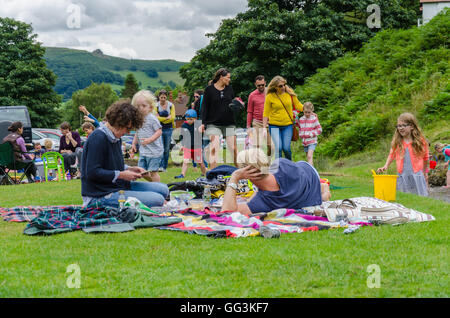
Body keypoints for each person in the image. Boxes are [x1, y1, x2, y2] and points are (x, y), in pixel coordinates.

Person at [81, 99, 169, 208]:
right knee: (158, 199)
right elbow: (92, 172)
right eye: (127, 128)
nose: (128, 132)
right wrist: (122, 175)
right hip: (100, 194)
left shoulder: (116, 138)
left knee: (163, 189)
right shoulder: (98, 137)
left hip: (117, 186)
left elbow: (111, 165)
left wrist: (129, 169)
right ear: (118, 122)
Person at [221, 148, 330, 215]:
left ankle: (322, 190)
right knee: (304, 186)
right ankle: (322, 188)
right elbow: (266, 180)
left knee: (319, 195)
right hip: (309, 171)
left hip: (309, 184)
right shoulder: (282, 164)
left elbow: (227, 211)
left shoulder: (262, 203)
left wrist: (234, 177)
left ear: (246, 173)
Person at [377, 113, 429, 196]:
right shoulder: (398, 142)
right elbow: (392, 155)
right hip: (402, 175)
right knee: (404, 196)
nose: (400, 128)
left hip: (417, 175)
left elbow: (426, 157)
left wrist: (425, 172)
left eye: (403, 125)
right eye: (398, 126)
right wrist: (386, 166)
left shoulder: (421, 141)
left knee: (420, 196)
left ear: (411, 126)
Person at [200, 68, 239, 169]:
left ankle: (241, 173)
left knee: (234, 149)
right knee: (214, 148)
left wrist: (237, 106)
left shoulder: (230, 89)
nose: (229, 80)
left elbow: (232, 104)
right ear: (221, 77)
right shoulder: (209, 90)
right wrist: (203, 123)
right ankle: (212, 176)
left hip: (229, 123)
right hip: (213, 124)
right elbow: (204, 107)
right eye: (228, 77)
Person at [263, 76, 303, 160]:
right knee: (278, 148)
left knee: (286, 148)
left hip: (287, 125)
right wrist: (263, 128)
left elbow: (298, 105)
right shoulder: (270, 96)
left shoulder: (289, 93)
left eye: (284, 85)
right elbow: (266, 113)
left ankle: (289, 166)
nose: (283, 87)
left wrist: (310, 111)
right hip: (274, 125)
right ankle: (279, 169)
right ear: (275, 87)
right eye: (280, 86)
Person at [131, 90, 164, 183]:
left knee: (153, 172)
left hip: (154, 152)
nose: (140, 108)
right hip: (144, 151)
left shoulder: (152, 119)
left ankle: (158, 188)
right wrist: (134, 144)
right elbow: (137, 132)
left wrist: (150, 140)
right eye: (137, 106)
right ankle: (154, 183)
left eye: (143, 106)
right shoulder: (138, 119)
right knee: (142, 172)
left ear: (150, 107)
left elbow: (159, 131)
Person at [175, 109, 206, 179]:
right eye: (187, 119)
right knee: (185, 162)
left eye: (191, 119)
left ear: (195, 118)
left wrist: (202, 130)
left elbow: (202, 134)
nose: (189, 121)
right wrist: (182, 145)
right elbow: (182, 136)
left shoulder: (198, 125)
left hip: (197, 147)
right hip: (188, 147)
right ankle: (182, 174)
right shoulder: (184, 125)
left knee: (200, 162)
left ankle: (204, 173)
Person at [247, 75, 272, 154]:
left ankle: (268, 161)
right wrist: (248, 126)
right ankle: (258, 164)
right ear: (255, 84)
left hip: (270, 122)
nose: (261, 87)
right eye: (259, 85)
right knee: (257, 146)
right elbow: (250, 112)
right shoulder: (252, 95)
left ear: (265, 83)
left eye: (262, 85)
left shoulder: (270, 92)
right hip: (257, 122)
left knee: (271, 146)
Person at [155, 90, 175, 172]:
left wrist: (161, 119)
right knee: (160, 148)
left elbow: (173, 118)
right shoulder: (156, 106)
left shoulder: (171, 105)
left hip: (168, 129)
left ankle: (164, 167)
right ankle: (159, 166)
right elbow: (155, 118)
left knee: (166, 149)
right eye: (161, 97)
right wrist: (166, 118)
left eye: (164, 97)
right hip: (159, 129)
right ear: (159, 97)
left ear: (166, 97)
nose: (163, 99)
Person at [297, 102, 322, 166]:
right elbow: (300, 128)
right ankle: (313, 173)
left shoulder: (314, 119)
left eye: (309, 112)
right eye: (305, 112)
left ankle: (311, 173)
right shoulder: (301, 119)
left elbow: (319, 130)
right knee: (309, 158)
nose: (307, 114)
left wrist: (310, 134)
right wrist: (301, 134)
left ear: (312, 111)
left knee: (309, 156)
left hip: (312, 141)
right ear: (303, 111)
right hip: (305, 142)